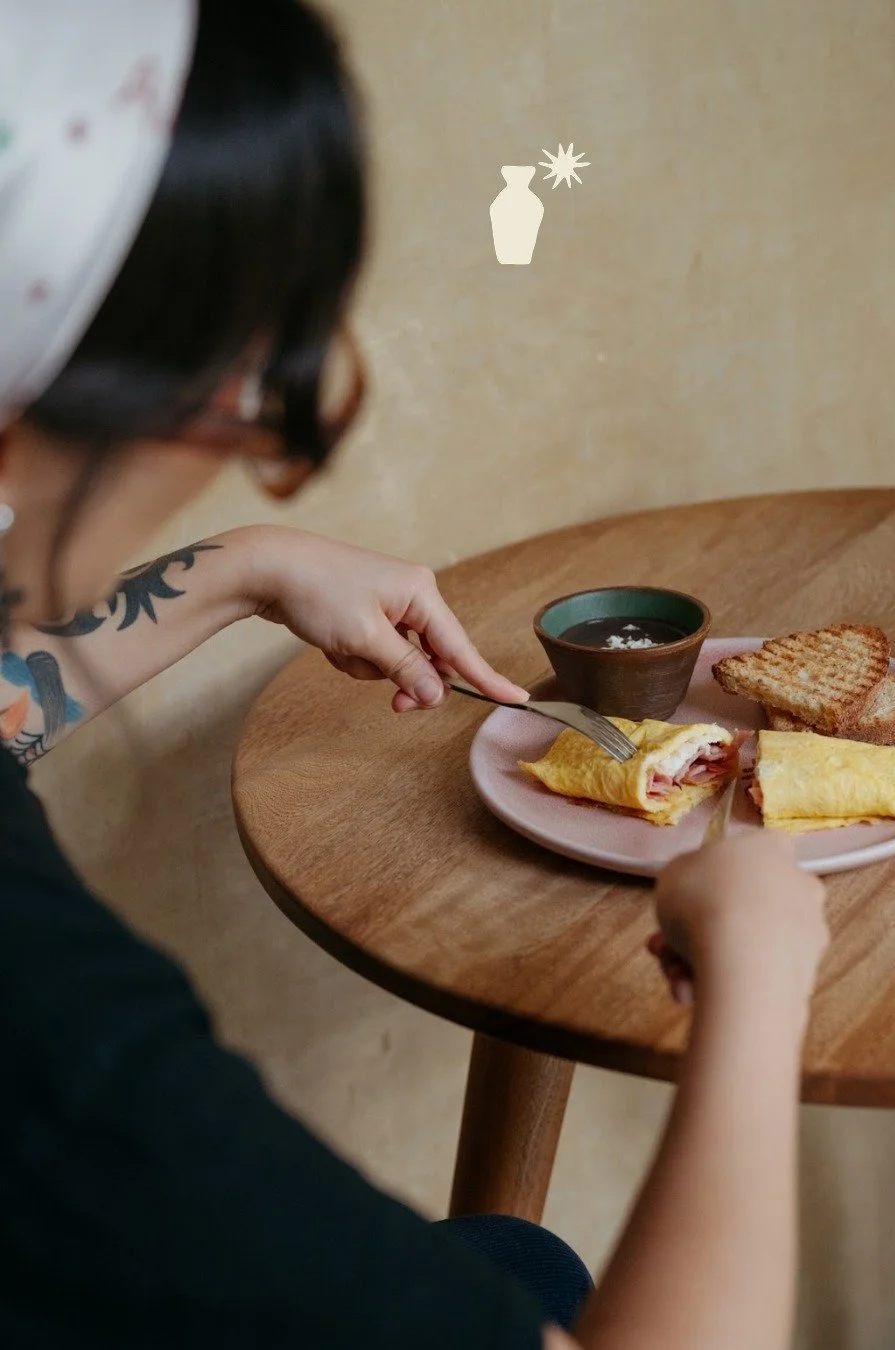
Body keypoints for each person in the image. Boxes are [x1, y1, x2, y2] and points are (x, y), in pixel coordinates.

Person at [0, 1, 830, 1347]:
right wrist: (760, 984)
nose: (250, 438)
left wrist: (247, 568)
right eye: (260, 387)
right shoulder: (56, 1037)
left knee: (512, 1256)